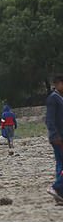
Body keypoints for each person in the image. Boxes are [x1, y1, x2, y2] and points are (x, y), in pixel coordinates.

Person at [45, 76, 63, 204]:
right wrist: (55, 135)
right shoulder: (54, 99)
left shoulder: (59, 98)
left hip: (59, 136)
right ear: (58, 84)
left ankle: (59, 196)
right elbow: (49, 120)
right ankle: (56, 187)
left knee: (60, 165)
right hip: (58, 137)